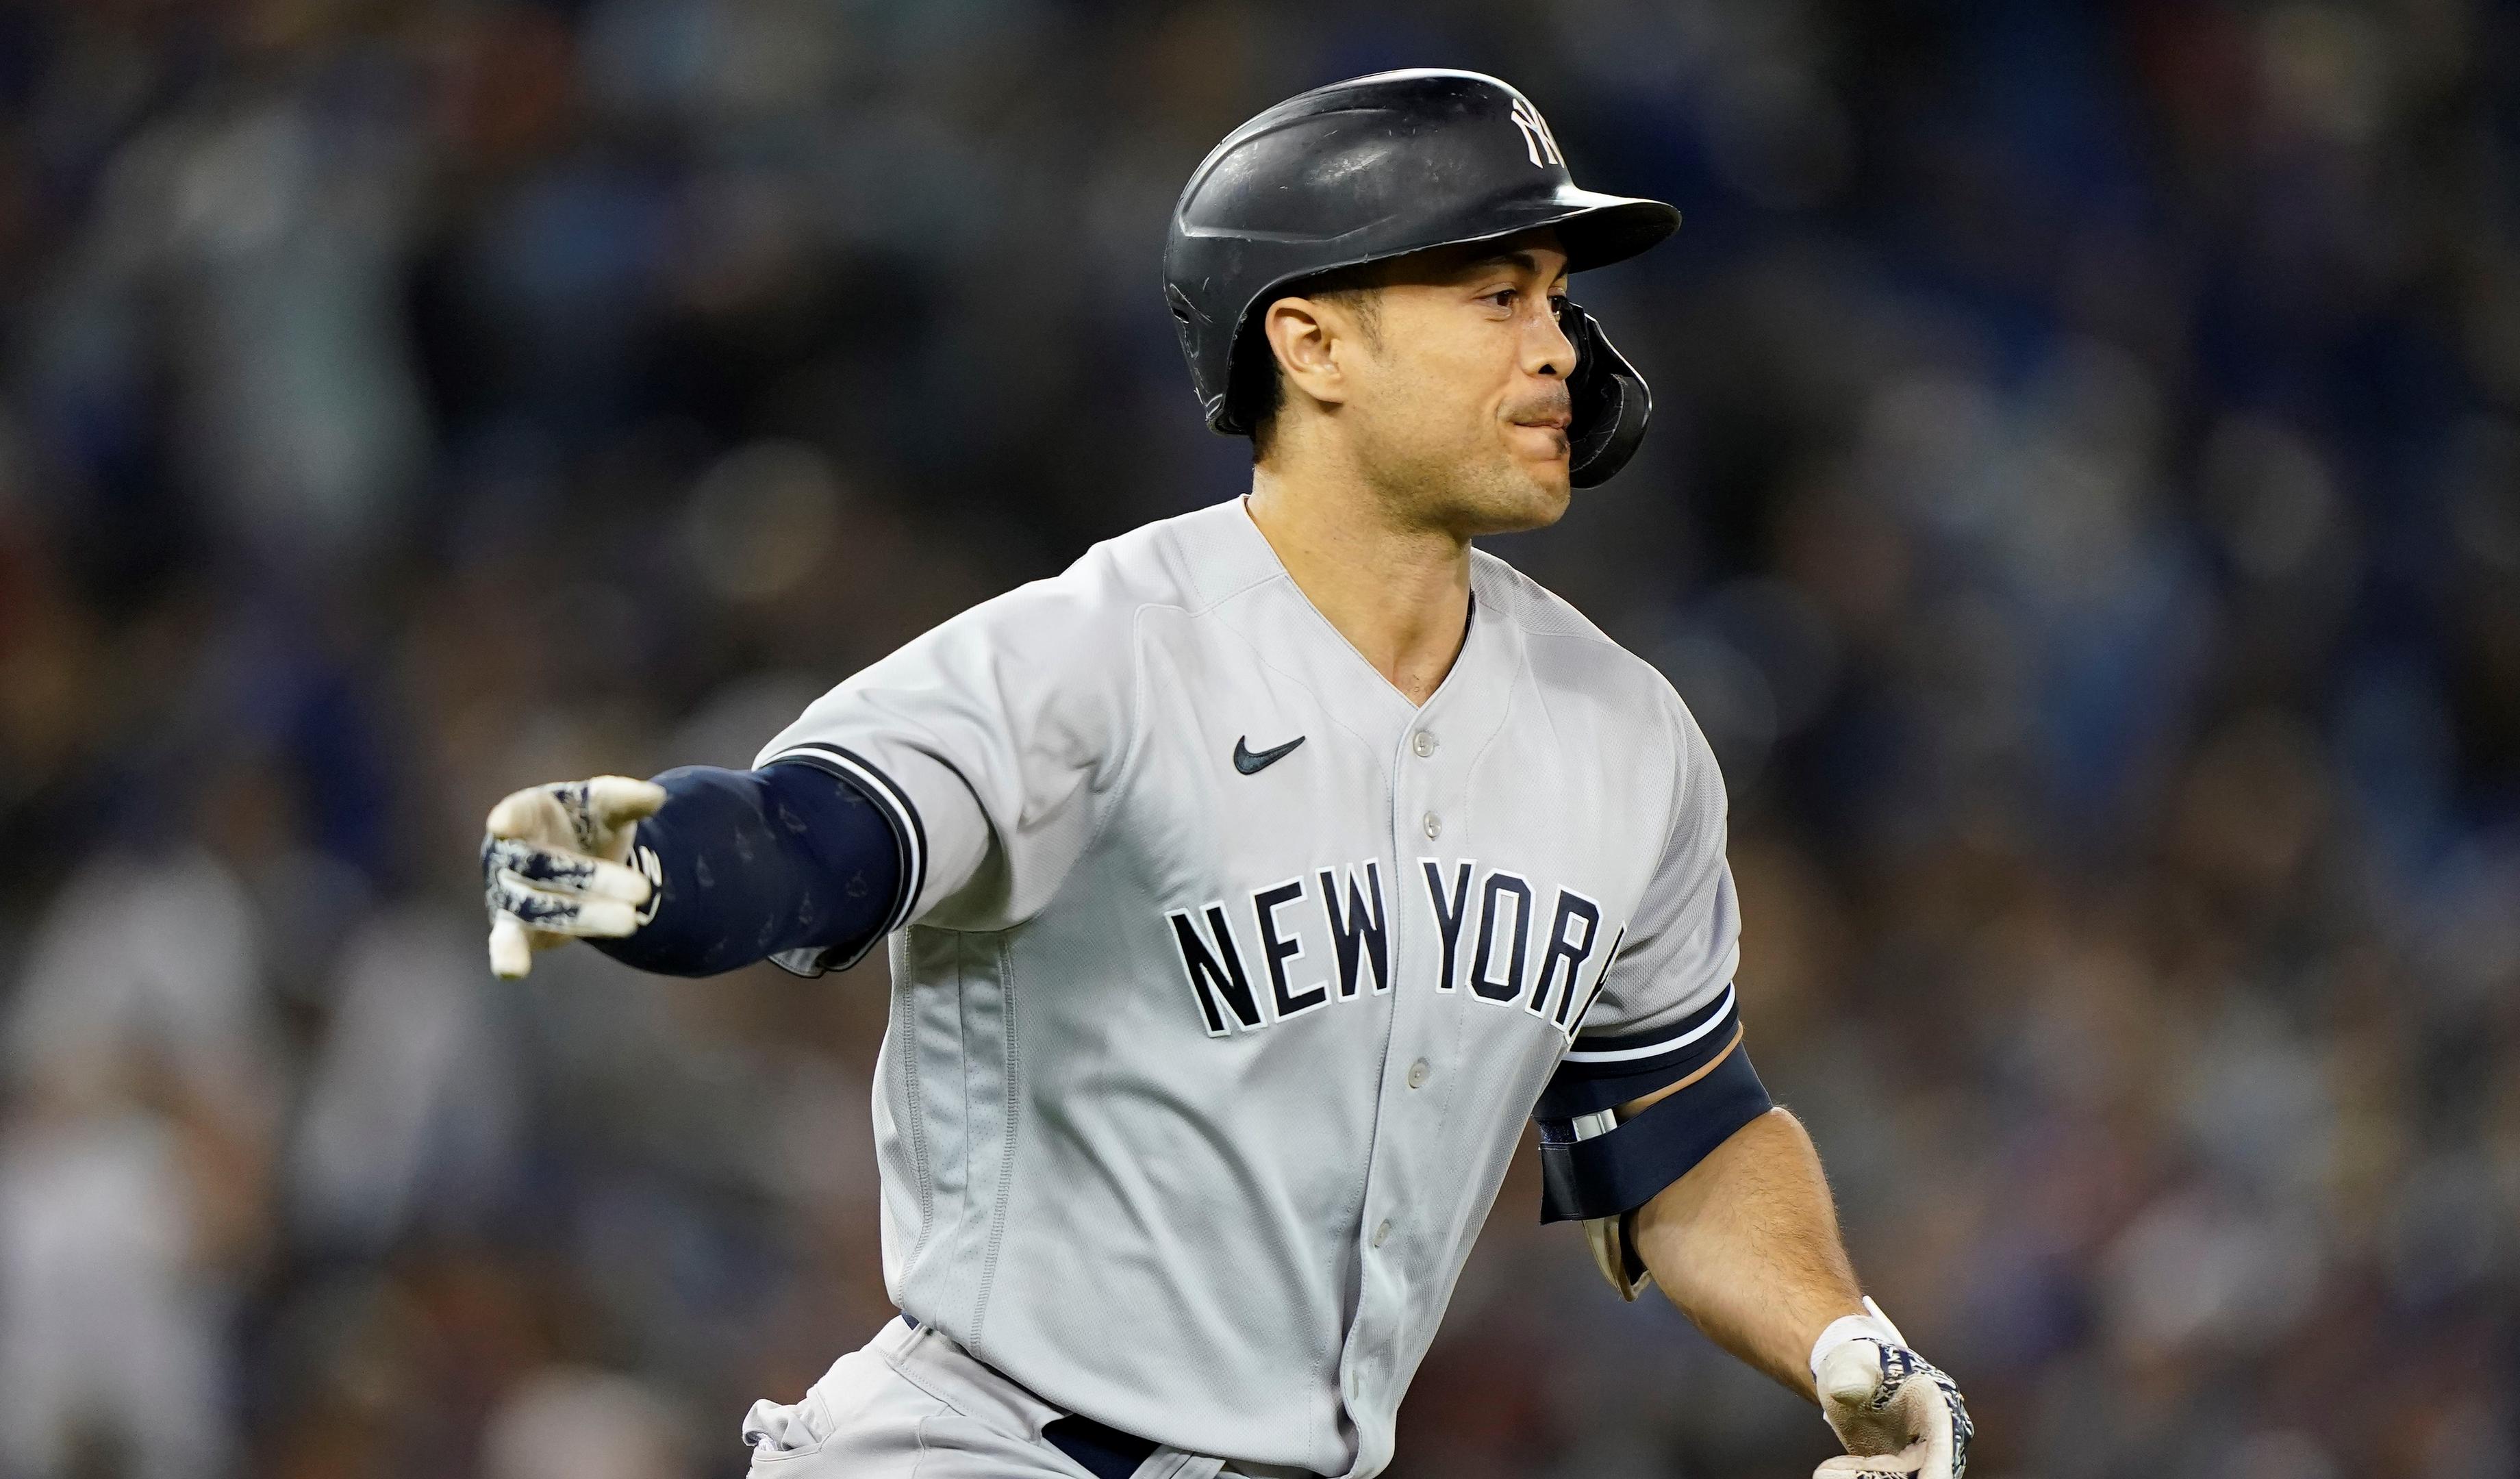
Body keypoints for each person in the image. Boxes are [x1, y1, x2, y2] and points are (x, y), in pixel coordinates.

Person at [479, 69, 1971, 1479]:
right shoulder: (1094, 657)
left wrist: (1848, 1339)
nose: (1558, 351)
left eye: (1560, 303)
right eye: (1494, 296)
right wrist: (667, 865)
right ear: (1309, 344)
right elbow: (821, 842)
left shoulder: (1628, 736)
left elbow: (1680, 1132)